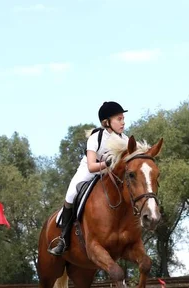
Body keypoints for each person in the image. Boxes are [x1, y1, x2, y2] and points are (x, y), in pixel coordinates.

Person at [47, 101, 129, 256]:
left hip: (109, 174)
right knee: (71, 195)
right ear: (107, 122)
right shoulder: (95, 137)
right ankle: (63, 238)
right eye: (119, 119)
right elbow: (92, 166)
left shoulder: (125, 139)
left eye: (123, 118)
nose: (123, 122)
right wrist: (109, 163)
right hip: (89, 171)